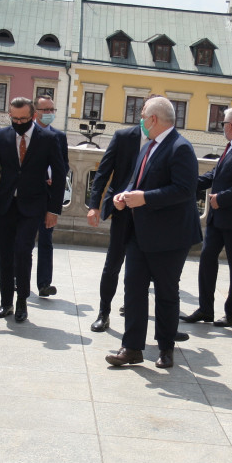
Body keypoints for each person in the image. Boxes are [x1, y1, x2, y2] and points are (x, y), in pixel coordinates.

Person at [106, 97, 202, 369]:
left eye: (143, 114)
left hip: (170, 237)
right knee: (133, 290)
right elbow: (135, 181)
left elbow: (185, 190)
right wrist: (123, 195)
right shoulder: (148, 147)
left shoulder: (180, 147)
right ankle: (132, 348)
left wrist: (145, 198)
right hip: (140, 233)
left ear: (154, 119)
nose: (140, 119)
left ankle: (165, 347)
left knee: (166, 293)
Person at [0, 97, 66, 323]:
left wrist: (53, 210)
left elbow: (58, 176)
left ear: (33, 116)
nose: (18, 122)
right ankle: (6, 302)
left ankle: (22, 302)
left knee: (23, 252)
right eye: (14, 118)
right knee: (5, 255)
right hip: (6, 204)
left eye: (23, 119)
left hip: (33, 205)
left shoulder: (48, 139)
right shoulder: (1, 136)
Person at [180, 108, 232, 328]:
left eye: (223, 123)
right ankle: (205, 309)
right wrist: (188, 184)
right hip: (218, 219)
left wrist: (221, 199)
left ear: (231, 125)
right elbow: (214, 176)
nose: (222, 127)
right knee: (207, 260)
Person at [85, 120, 144, 332]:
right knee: (113, 264)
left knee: (144, 268)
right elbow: (103, 172)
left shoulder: (164, 140)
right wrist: (94, 205)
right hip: (122, 211)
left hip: (150, 214)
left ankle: (134, 307)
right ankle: (104, 312)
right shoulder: (124, 137)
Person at [33, 95, 70, 297]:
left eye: (52, 110)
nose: (49, 114)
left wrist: (55, 178)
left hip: (49, 196)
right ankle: (16, 278)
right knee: (24, 240)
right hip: (29, 195)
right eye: (45, 110)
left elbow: (64, 164)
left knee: (46, 240)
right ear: (35, 111)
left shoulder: (59, 136)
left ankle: (44, 284)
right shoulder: (27, 133)